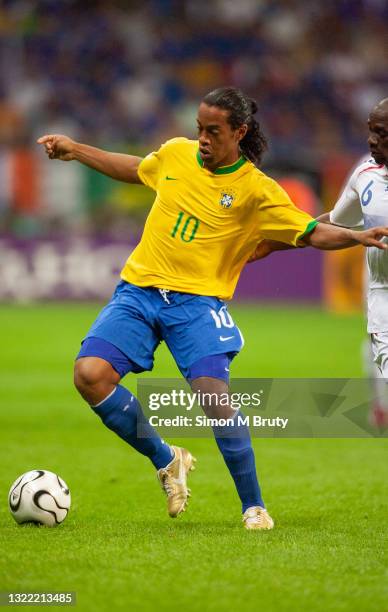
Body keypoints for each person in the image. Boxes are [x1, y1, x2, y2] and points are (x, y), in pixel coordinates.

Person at [37, 87, 388, 530]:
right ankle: (167, 461)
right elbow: (136, 168)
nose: (202, 138)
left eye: (213, 131)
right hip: (139, 290)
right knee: (89, 375)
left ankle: (254, 507)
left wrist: (357, 236)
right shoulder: (176, 154)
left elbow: (311, 231)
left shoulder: (257, 190)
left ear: (239, 132)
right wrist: (75, 150)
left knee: (214, 399)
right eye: (199, 129)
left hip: (197, 304)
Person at [317, 98, 388, 428]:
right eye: (371, 132)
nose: (372, 140)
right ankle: (381, 408)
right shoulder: (365, 172)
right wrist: (287, 235)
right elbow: (336, 220)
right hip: (381, 285)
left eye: (382, 133)